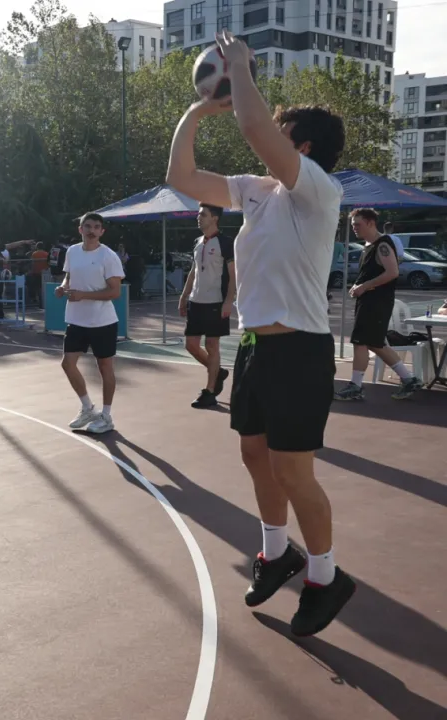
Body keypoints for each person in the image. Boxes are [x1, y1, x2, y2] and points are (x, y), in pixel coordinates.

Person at [165, 29, 354, 636]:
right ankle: (277, 554)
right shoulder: (256, 192)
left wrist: (241, 63)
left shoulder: (318, 190)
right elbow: (181, 176)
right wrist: (197, 111)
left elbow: (251, 126)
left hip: (299, 348)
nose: (267, 129)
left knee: (294, 471)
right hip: (253, 345)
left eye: (280, 129)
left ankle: (325, 577)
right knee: (255, 456)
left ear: (301, 145)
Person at [335, 209, 423, 401]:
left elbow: (392, 272)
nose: (354, 228)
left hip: (376, 302)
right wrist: (358, 286)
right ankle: (409, 379)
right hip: (369, 300)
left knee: (361, 341)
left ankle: (356, 386)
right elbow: (371, 273)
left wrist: (365, 286)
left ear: (370, 223)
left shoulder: (382, 244)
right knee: (375, 343)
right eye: (353, 225)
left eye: (357, 224)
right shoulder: (368, 246)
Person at [56, 213, 125, 435]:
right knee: (67, 364)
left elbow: (115, 292)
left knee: (105, 367)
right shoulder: (72, 251)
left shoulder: (108, 256)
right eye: (87, 226)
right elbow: (69, 277)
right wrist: (63, 287)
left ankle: (106, 416)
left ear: (102, 231)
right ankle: (88, 408)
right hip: (76, 319)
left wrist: (84, 295)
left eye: (96, 227)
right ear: (80, 229)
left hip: (102, 321)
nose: (91, 231)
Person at [178, 203, 236, 408]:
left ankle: (210, 392)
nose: (199, 217)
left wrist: (228, 301)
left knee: (212, 345)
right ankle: (217, 371)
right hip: (196, 301)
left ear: (215, 218)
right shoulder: (197, 242)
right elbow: (194, 271)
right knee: (191, 345)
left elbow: (233, 275)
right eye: (199, 214)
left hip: (216, 302)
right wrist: (184, 296)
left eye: (203, 214)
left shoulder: (226, 243)